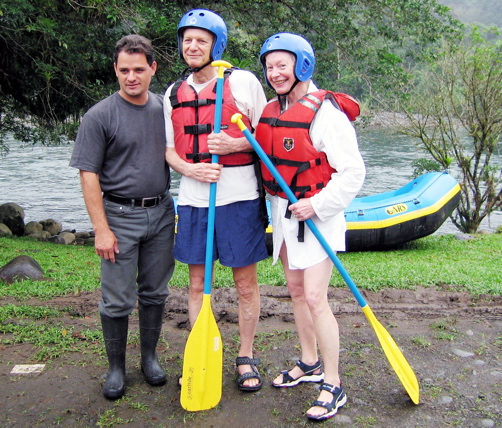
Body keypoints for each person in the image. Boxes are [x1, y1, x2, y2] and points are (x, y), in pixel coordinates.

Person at [256, 33, 366, 420]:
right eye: (270, 67)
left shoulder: (327, 115)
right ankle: (310, 362)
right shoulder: (273, 109)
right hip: (285, 214)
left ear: (302, 65)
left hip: (319, 215)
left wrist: (316, 204)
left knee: (316, 297)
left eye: (283, 65)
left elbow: (353, 173)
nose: (275, 73)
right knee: (297, 292)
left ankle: (333, 384)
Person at [164, 9, 268, 392]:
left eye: (201, 40)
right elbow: (170, 150)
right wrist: (189, 170)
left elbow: (264, 137)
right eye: (187, 40)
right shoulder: (173, 92)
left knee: (245, 285)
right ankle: (202, 349)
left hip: (239, 199)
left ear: (216, 45)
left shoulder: (242, 82)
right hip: (193, 200)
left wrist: (236, 142)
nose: (192, 46)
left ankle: (245, 354)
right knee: (195, 285)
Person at [70, 35, 175, 400]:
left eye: (139, 69)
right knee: (116, 299)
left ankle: (149, 359)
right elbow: (88, 174)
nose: (132, 77)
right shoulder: (100, 116)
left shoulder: (165, 110)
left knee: (155, 292)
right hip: (118, 215)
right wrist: (101, 229)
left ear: (153, 69)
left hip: (162, 213)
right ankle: (116, 367)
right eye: (124, 70)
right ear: (115, 70)